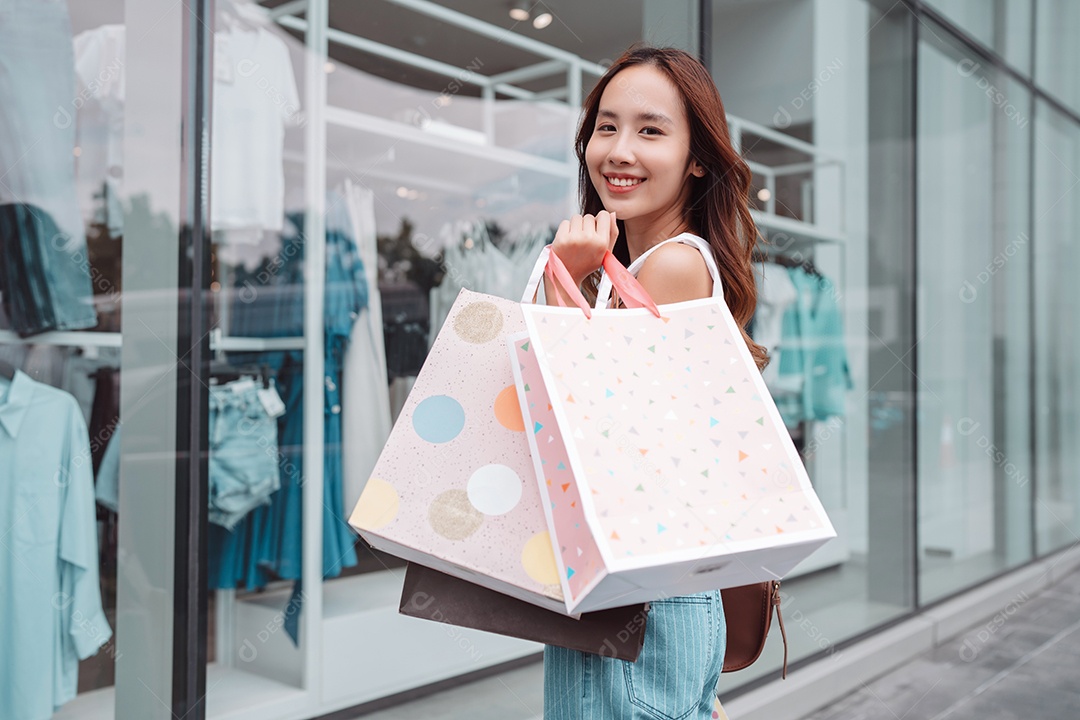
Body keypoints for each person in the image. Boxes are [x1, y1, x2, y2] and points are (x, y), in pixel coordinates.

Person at [539, 45, 767, 720]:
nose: (619, 150)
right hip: (644, 599)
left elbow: (589, 435)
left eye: (650, 130)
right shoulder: (647, 269)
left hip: (640, 605)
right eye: (606, 127)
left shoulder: (671, 267)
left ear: (698, 156)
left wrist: (562, 283)